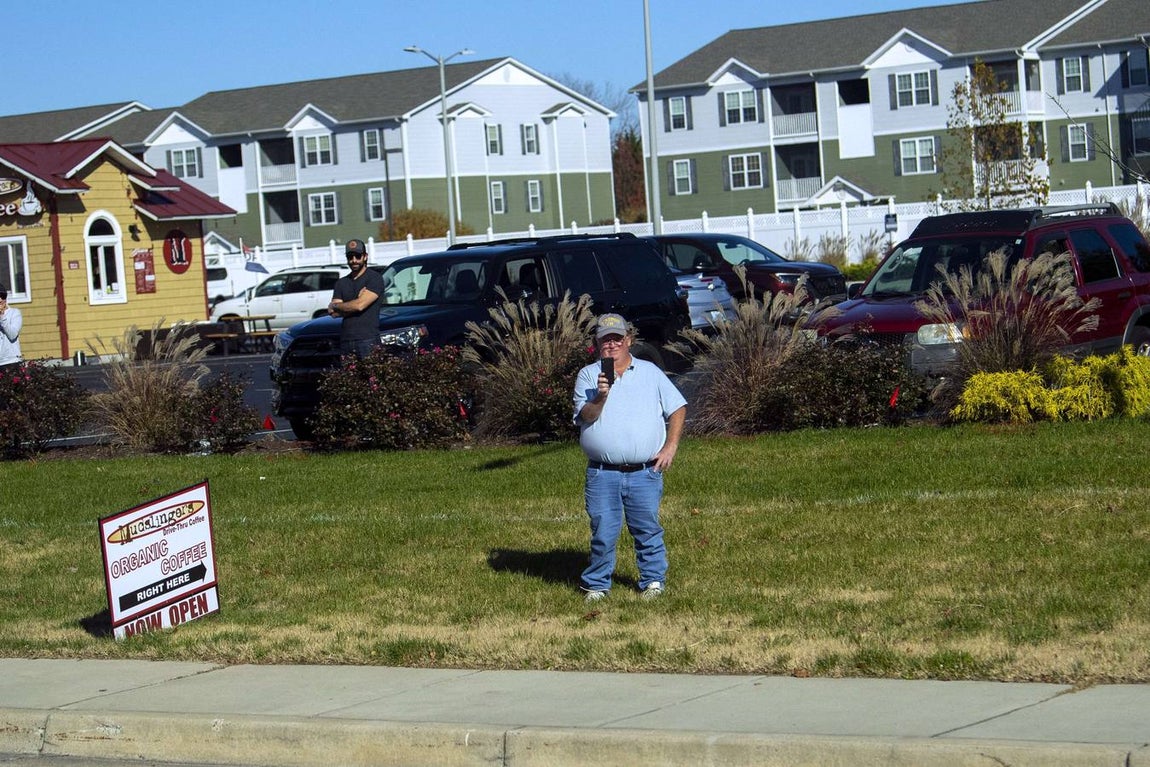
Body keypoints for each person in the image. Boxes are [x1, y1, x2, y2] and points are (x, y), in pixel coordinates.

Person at [572, 313, 687, 602]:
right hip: (602, 473)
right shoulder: (588, 375)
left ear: (628, 341)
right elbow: (586, 416)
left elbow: (677, 407)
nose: (611, 345)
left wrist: (670, 446)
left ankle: (652, 581)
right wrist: (600, 396)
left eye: (616, 339)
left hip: (644, 471)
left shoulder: (650, 372)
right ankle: (597, 584)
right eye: (605, 340)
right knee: (603, 531)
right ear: (597, 344)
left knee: (647, 528)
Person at [327, 239, 385, 358]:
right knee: (348, 377)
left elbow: (359, 306)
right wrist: (347, 305)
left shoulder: (374, 279)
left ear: (365, 257)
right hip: (345, 340)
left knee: (371, 376)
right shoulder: (341, 283)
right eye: (350, 257)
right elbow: (333, 313)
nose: (354, 260)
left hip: (368, 339)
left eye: (358, 256)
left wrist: (338, 306)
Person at [0, 282, 22, 372]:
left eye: (3, 297)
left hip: (11, 361)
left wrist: (2, 316)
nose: (0, 300)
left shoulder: (15, 313)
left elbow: (12, 334)